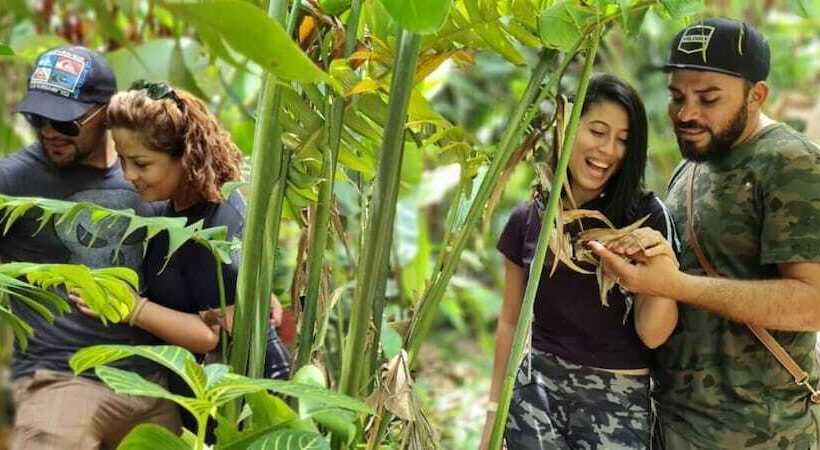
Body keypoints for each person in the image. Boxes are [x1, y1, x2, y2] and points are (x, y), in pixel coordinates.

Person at [590, 18, 820, 449]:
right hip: (674, 427)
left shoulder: (793, 164)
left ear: (757, 95)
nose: (687, 113)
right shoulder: (695, 163)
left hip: (763, 435)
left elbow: (813, 304)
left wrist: (678, 285)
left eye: (708, 98)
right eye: (677, 97)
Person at [480, 74, 679, 450]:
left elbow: (653, 334)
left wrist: (661, 267)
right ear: (567, 127)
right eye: (598, 131)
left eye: (623, 140)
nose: (608, 150)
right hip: (536, 394)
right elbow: (509, 323)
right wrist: (493, 415)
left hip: (616, 398)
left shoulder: (645, 219)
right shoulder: (528, 219)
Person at [0, 46, 180, 450]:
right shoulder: (12, 181)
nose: (48, 131)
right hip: (63, 380)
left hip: (153, 386)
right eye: (38, 118)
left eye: (65, 122)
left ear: (107, 113)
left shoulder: (150, 174)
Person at [88, 80, 290, 431]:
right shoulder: (171, 205)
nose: (128, 174)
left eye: (140, 162)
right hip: (196, 403)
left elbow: (208, 335)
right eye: (121, 158)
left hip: (247, 411)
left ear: (186, 156)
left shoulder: (216, 222)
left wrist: (131, 308)